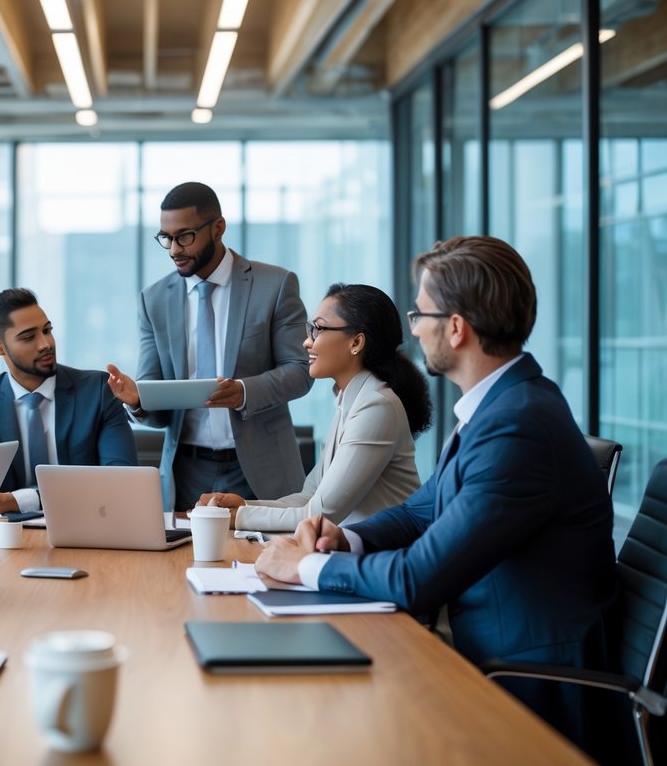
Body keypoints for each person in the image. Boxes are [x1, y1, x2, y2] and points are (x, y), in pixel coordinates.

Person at [255, 236, 618, 756]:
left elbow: (417, 578)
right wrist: (344, 539)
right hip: (488, 655)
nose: (415, 328)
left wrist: (305, 568)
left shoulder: (518, 425)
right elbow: (422, 510)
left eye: (420, 313)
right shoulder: (501, 405)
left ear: (456, 327)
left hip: (526, 684)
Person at [106, 181, 312, 511]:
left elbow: (302, 371)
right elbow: (156, 400)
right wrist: (138, 401)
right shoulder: (154, 300)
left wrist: (244, 391)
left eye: (184, 236)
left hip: (260, 468)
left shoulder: (274, 285)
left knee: (264, 561)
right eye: (166, 238)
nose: (174, 249)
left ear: (218, 228)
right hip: (186, 470)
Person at [197, 284, 429, 531]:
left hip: (385, 560)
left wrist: (238, 516)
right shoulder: (351, 400)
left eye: (318, 329)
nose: (307, 342)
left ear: (357, 342)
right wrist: (242, 506)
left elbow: (320, 515)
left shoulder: (376, 406)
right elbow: (308, 497)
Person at [0, 288, 137, 515]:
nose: (45, 344)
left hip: (88, 527)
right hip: (7, 539)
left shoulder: (97, 391)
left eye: (47, 330)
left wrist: (17, 500)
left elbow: (122, 478)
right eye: (29, 337)